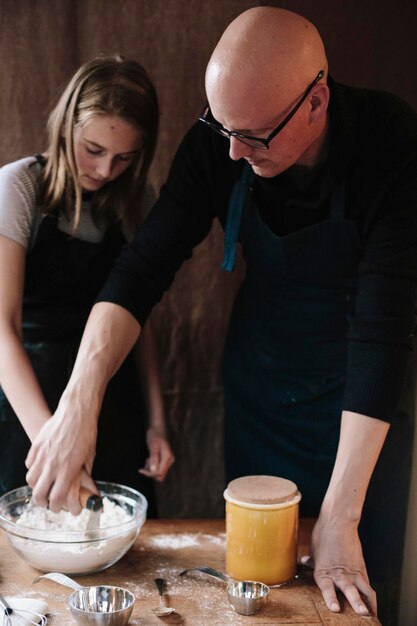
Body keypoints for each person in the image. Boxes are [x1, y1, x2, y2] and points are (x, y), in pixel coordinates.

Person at [25, 8, 417, 624]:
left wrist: (341, 517)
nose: (233, 153)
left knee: (349, 593)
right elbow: (142, 269)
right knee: (265, 597)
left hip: (362, 406)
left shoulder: (390, 141)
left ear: (317, 102)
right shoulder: (226, 137)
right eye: (222, 128)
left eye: (255, 137)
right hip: (262, 392)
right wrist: (79, 402)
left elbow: (384, 330)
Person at [0, 55, 175, 517]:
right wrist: (54, 441)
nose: (103, 170)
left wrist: (156, 423)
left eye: (124, 158)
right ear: (65, 126)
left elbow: (139, 321)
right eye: (92, 149)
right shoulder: (20, 188)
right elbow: (1, 327)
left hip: (113, 405)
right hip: (27, 404)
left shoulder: (139, 203)